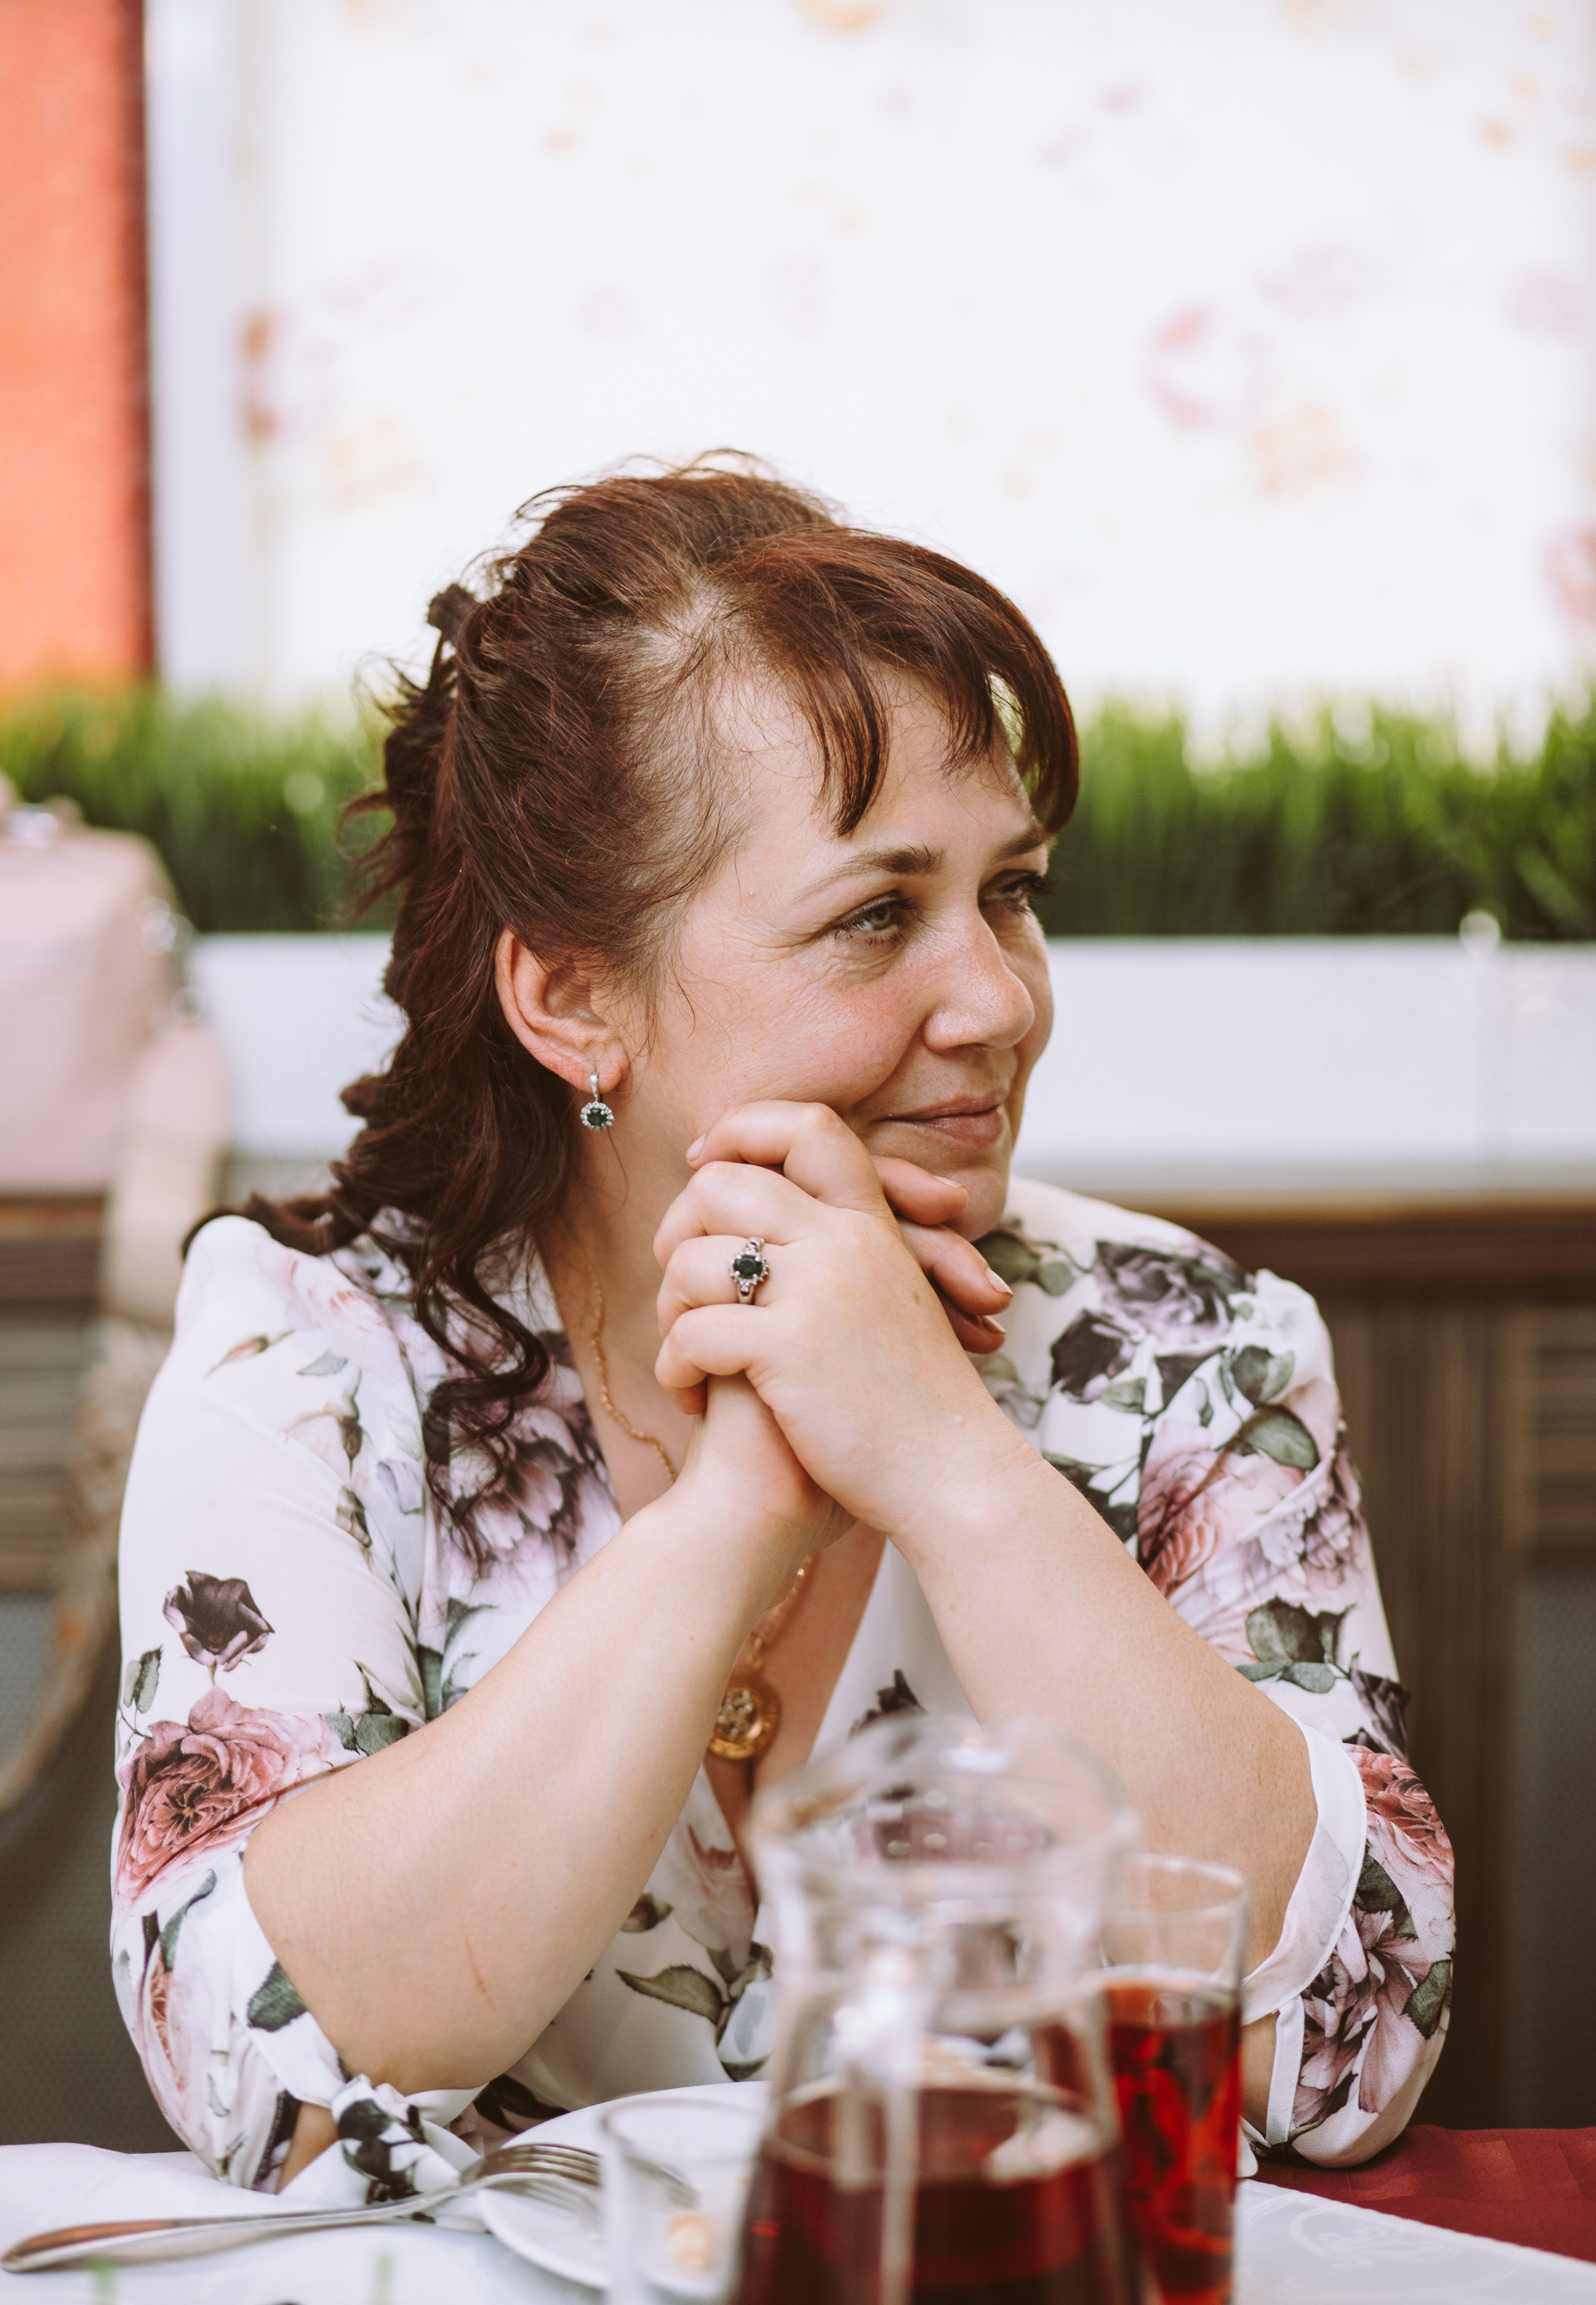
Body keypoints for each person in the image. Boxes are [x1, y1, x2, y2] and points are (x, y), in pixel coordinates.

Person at [112, 463, 1453, 2200]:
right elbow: (262, 2081)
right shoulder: (305, 1357)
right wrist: (738, 1513)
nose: (999, 1000)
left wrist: (948, 1460)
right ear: (570, 995)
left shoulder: (1201, 1350)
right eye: (876, 915)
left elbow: (1352, 2054)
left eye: (1013, 891)